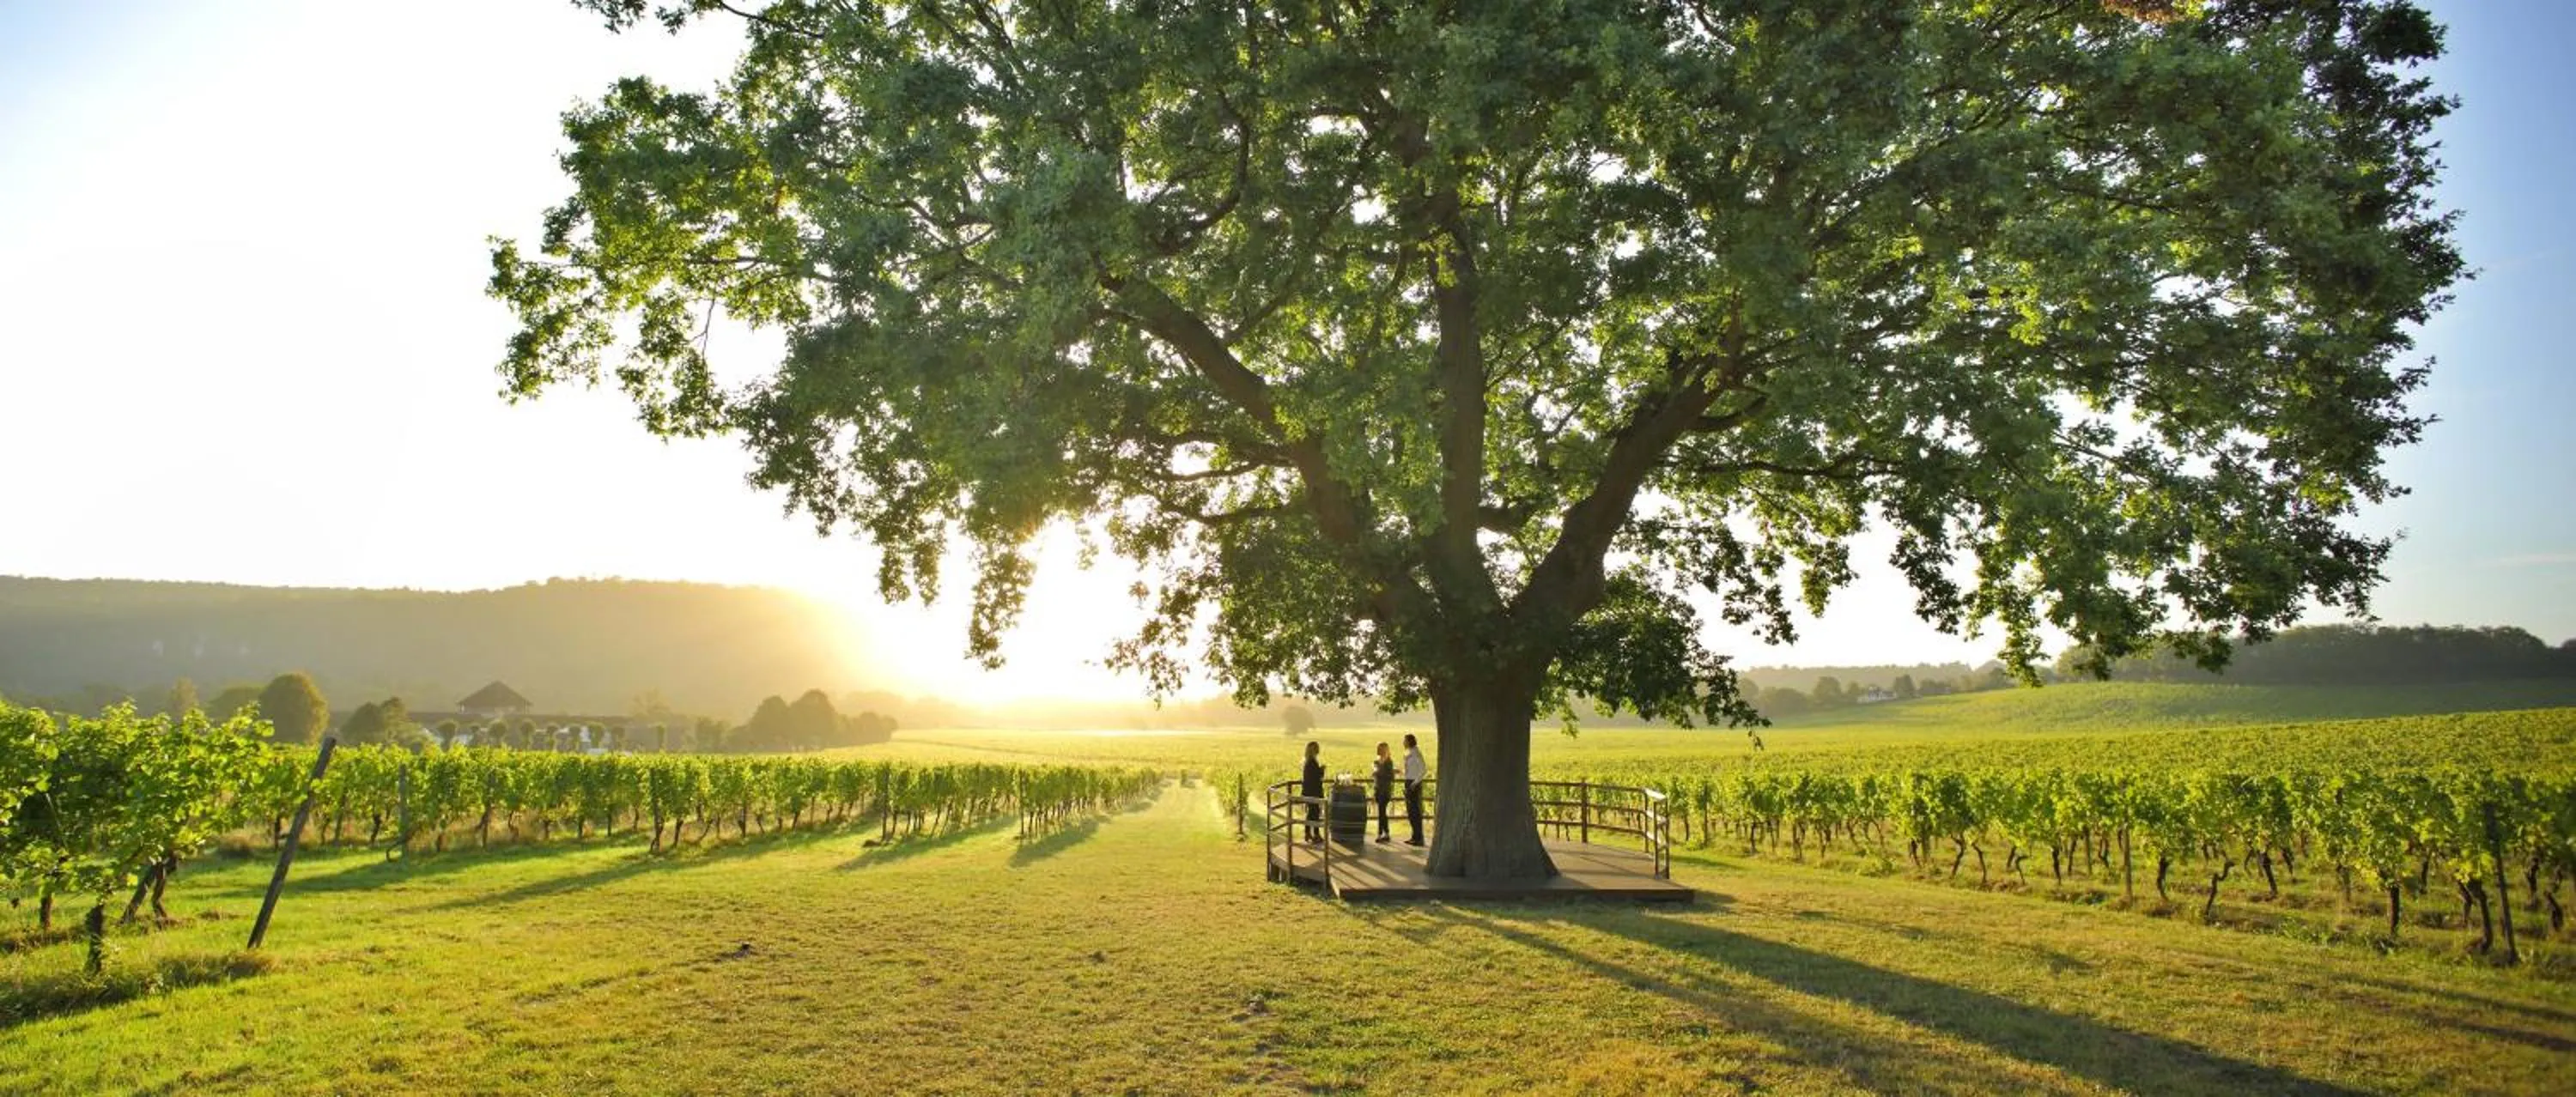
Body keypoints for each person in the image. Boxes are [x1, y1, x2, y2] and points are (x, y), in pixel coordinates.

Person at [1401, 733, 1426, 846]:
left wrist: (1415, 783)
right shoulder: (1409, 753)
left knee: (1415, 811)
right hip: (1409, 782)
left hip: (1414, 784)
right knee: (1411, 812)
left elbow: (1423, 770)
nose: (1403, 742)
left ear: (1410, 741)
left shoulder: (1416, 753)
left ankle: (1419, 838)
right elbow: (1410, 770)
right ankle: (1414, 836)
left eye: (1405, 740)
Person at [1300, 740, 1325, 842]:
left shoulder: (1308, 761)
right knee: (1315, 813)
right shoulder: (1312, 762)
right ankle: (1316, 834)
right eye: (1317, 748)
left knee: (1311, 813)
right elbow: (1317, 777)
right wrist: (1322, 770)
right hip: (1313, 791)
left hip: (1308, 791)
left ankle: (1308, 833)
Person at [1370, 742, 1395, 843]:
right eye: (1378, 749)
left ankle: (1380, 834)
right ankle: (1387, 833)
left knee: (1381, 812)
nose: (1379, 751)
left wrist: (1378, 772)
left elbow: (1391, 777)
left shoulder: (1389, 762)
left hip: (1385, 791)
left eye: (1381, 749)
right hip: (1378, 789)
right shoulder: (1376, 762)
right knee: (1382, 813)